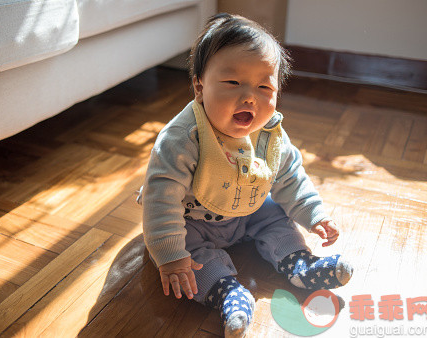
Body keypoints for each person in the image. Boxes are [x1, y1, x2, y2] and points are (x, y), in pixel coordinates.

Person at [138, 13, 353, 337]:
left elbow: (291, 177)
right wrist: (170, 254)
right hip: (193, 221)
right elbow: (161, 197)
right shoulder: (184, 138)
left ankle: (299, 265)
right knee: (188, 254)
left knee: (276, 214)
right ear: (200, 87)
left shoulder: (269, 134)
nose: (249, 96)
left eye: (264, 86)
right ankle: (227, 293)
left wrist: (314, 215)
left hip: (248, 208)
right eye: (233, 83)